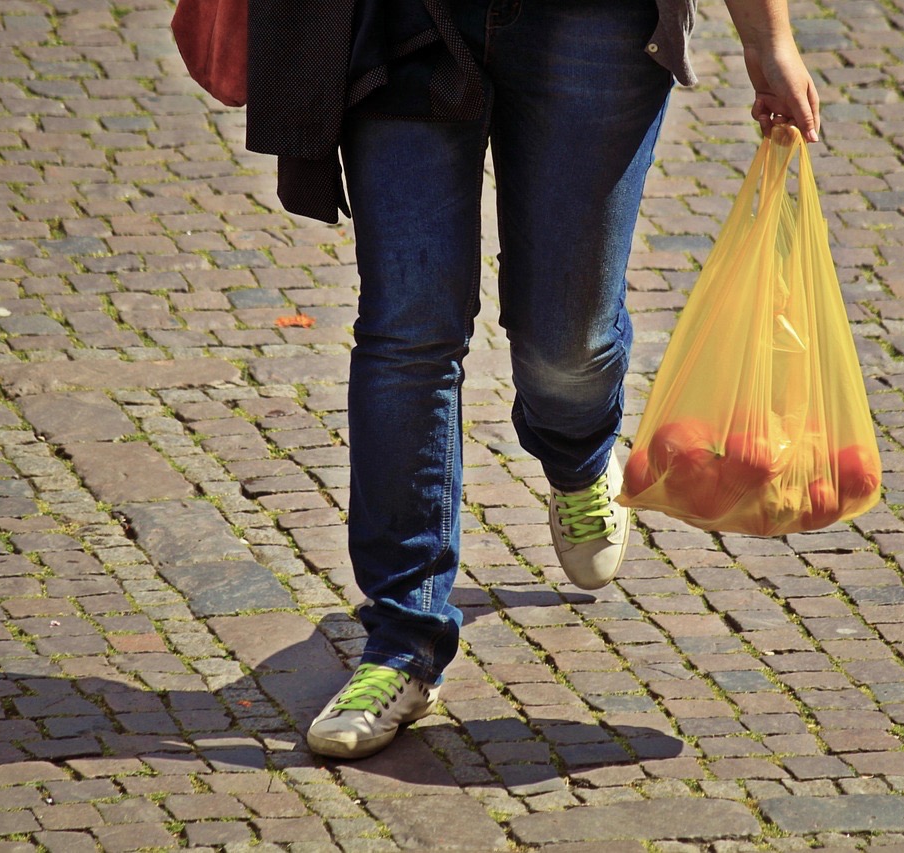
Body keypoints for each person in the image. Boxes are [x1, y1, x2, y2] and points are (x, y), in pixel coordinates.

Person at [245, 0, 820, 761]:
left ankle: (579, 452)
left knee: (566, 340)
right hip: (401, 16)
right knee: (407, 328)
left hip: (593, 23)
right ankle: (402, 643)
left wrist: (768, 38)